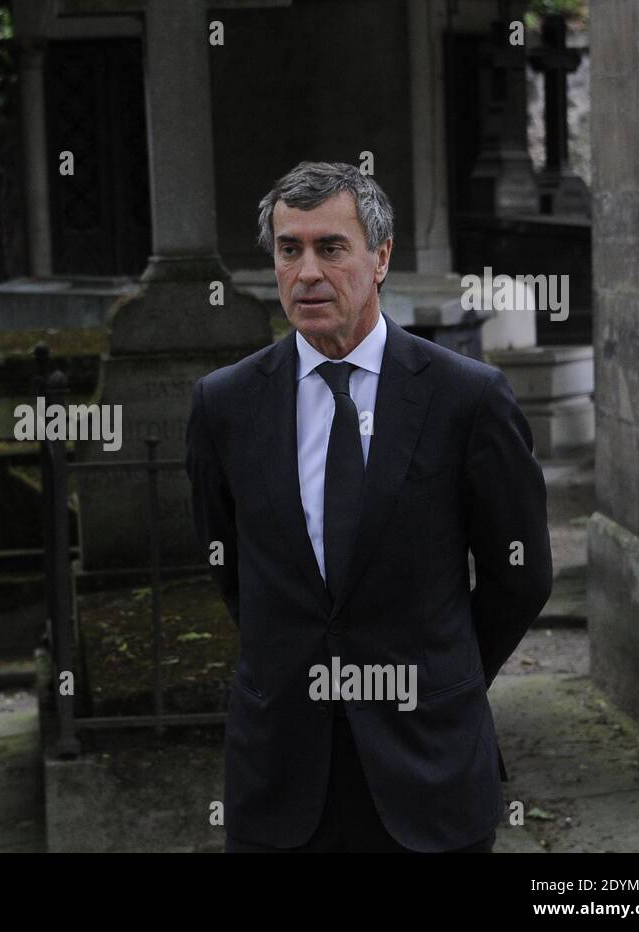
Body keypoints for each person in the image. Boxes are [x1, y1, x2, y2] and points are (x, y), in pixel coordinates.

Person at [185, 161, 553, 852]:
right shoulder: (226, 405)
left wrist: (442, 673)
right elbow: (230, 565)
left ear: (381, 257)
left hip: (430, 770)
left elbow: (521, 576)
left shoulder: (466, 399)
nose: (307, 273)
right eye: (289, 250)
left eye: (331, 247)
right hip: (280, 779)